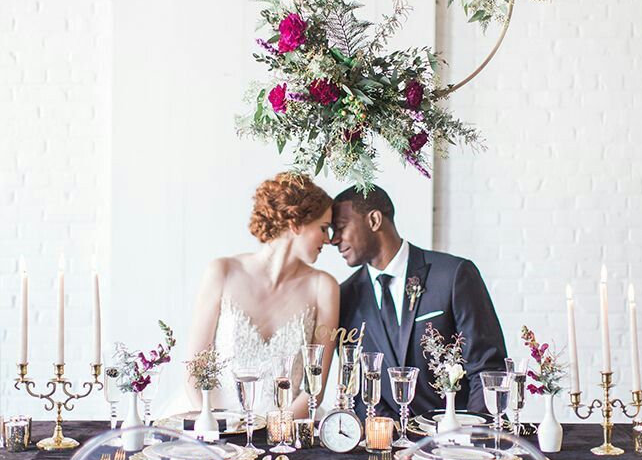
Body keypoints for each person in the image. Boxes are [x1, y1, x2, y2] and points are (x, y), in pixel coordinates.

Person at [331, 185, 506, 419]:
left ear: (374, 220)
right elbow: (356, 385)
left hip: (457, 438)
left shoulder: (453, 275)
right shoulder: (344, 296)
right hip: (387, 445)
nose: (334, 240)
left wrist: (469, 437)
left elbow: (487, 368)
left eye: (341, 227)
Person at [185, 173, 339, 417]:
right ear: (295, 223)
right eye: (324, 228)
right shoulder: (222, 272)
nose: (329, 240)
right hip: (218, 428)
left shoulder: (324, 288)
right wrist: (216, 427)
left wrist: (275, 429)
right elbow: (195, 371)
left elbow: (314, 389)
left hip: (287, 433)